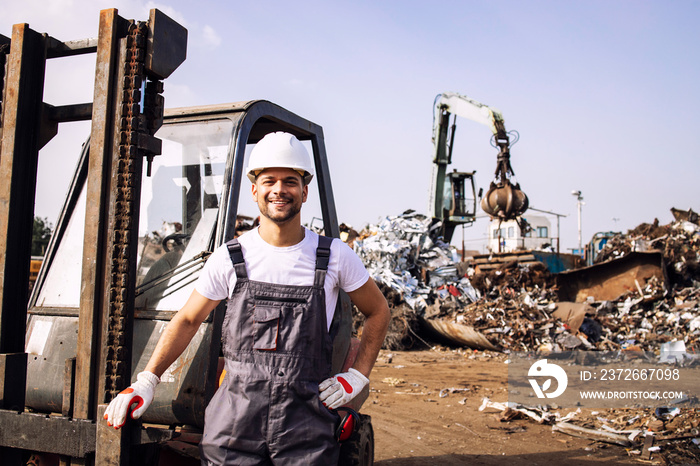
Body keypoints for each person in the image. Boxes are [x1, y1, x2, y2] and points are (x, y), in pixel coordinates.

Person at [104, 131, 390, 465]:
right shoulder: (231, 257)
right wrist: (147, 381)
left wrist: (358, 375)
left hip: (306, 426)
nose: (279, 190)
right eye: (269, 180)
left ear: (305, 191)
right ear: (255, 190)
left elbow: (378, 311)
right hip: (234, 426)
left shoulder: (335, 256)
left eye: (290, 181)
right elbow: (188, 319)